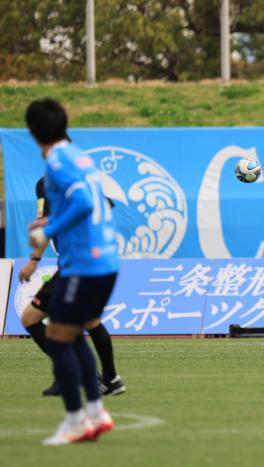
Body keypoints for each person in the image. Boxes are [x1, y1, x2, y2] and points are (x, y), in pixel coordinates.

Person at [25, 98, 119, 445]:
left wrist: (48, 230)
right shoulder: (80, 156)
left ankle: (76, 420)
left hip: (83, 264)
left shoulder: (56, 161)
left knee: (57, 338)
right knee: (72, 332)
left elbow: (82, 202)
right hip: (105, 261)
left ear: (34, 132)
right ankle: (95, 412)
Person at [20, 177, 125, 397]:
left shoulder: (48, 183)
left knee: (31, 319)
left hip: (75, 264)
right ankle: (109, 378)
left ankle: (77, 373)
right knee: (87, 321)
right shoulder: (85, 181)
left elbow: (45, 224)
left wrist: (34, 260)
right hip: (99, 261)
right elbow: (105, 208)